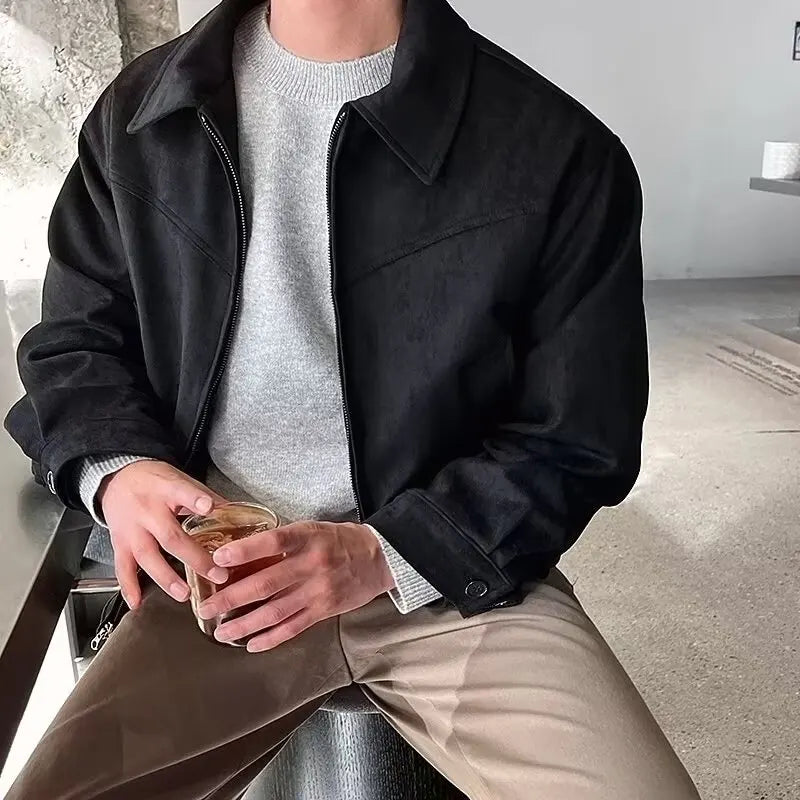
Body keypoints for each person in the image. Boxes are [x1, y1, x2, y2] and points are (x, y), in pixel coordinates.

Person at [3, 0, 702, 797]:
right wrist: (119, 470)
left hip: (453, 575)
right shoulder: (140, 115)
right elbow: (75, 340)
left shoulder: (556, 150)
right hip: (221, 571)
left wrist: (382, 554)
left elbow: (577, 437)